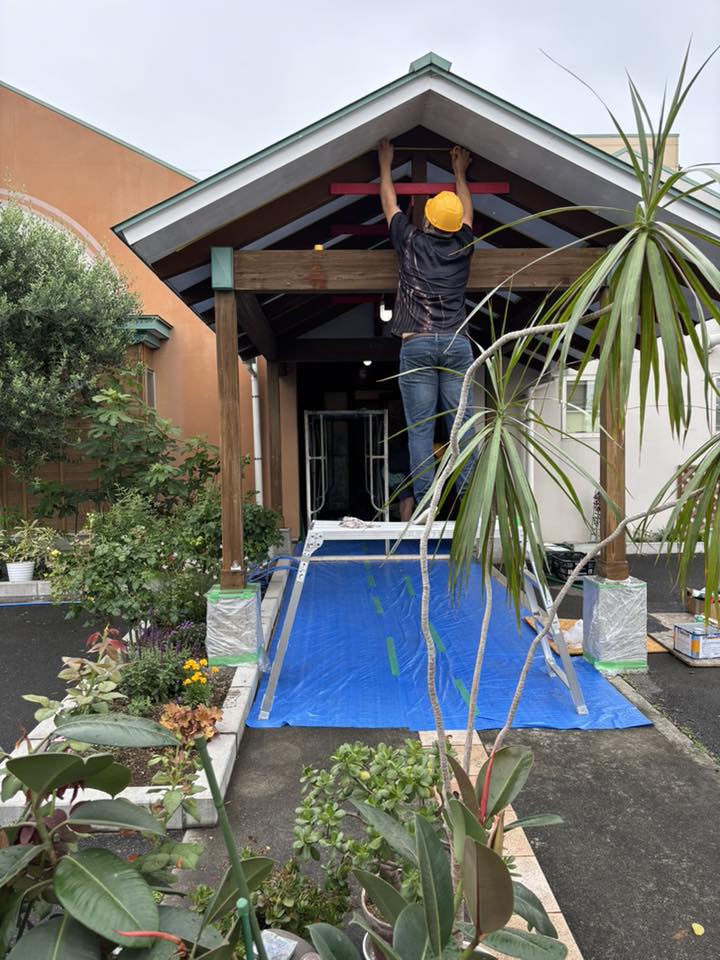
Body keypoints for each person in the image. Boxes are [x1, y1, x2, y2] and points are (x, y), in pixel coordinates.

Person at [378, 139, 476, 510]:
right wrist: (460, 173)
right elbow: (468, 214)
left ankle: (425, 506)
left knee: (420, 431)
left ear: (428, 220)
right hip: (455, 342)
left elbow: (390, 204)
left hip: (417, 341)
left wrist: (385, 164)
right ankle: (468, 501)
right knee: (461, 426)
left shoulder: (410, 241)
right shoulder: (464, 244)